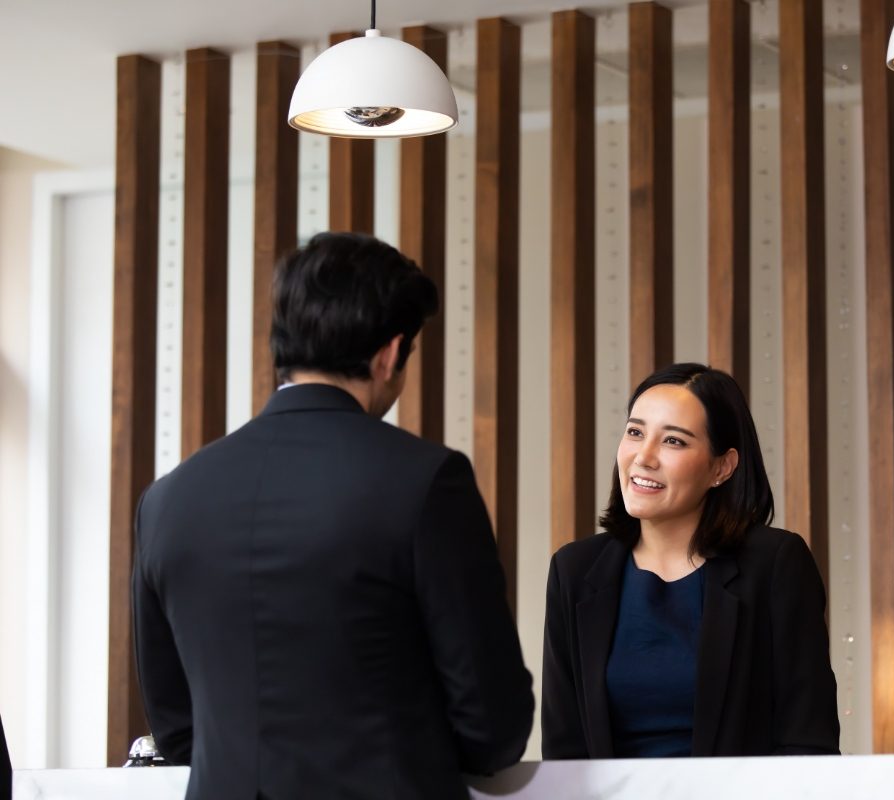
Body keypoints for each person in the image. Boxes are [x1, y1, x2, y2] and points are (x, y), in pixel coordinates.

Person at [133, 232, 533, 800]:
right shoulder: (425, 481)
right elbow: (491, 724)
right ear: (392, 353)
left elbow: (176, 727)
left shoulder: (167, 500)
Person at [541, 363, 839, 759]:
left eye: (674, 442)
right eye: (635, 432)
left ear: (722, 467)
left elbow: (807, 740)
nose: (643, 457)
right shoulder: (574, 570)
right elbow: (565, 751)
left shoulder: (776, 564)